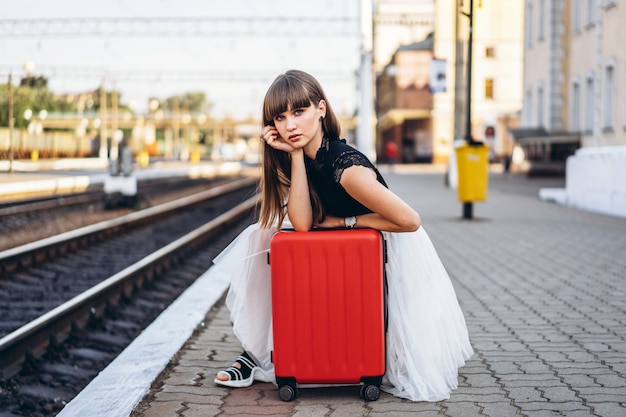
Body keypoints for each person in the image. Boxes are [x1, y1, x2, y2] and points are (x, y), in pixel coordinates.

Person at [210, 69, 473, 402]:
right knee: (261, 237)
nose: (290, 125)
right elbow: (303, 224)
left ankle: (261, 355)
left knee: (265, 238)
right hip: (350, 249)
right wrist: (293, 156)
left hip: (388, 250)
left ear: (321, 109)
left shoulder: (346, 169)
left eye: (299, 111)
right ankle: (259, 351)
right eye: (280, 116)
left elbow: (410, 221)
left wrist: (346, 222)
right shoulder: (304, 157)